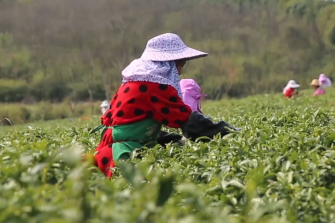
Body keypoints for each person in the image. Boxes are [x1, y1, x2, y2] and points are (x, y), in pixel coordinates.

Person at [93, 33, 234, 177]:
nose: (180, 71)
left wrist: (172, 139)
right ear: (167, 64)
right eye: (180, 65)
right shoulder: (154, 86)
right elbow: (187, 120)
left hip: (108, 153)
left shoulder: (132, 83)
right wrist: (228, 132)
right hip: (126, 157)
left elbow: (134, 125)